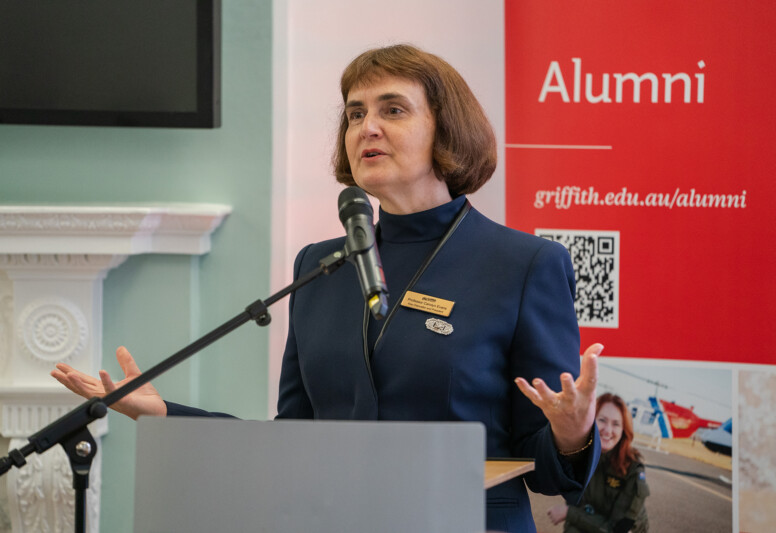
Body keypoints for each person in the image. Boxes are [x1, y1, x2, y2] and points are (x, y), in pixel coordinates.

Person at [52, 44, 603, 532]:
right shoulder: (321, 266)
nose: (367, 127)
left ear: (447, 129)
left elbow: (549, 472)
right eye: (355, 113)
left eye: (393, 109)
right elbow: (294, 440)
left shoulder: (525, 264)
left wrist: (573, 433)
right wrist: (164, 414)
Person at [547, 393, 650, 533]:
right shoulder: (580, 458)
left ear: (623, 430)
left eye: (616, 424)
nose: (608, 430)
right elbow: (575, 517)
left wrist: (568, 513)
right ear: (590, 420)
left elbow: (617, 529)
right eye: (602, 420)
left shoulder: (632, 469)